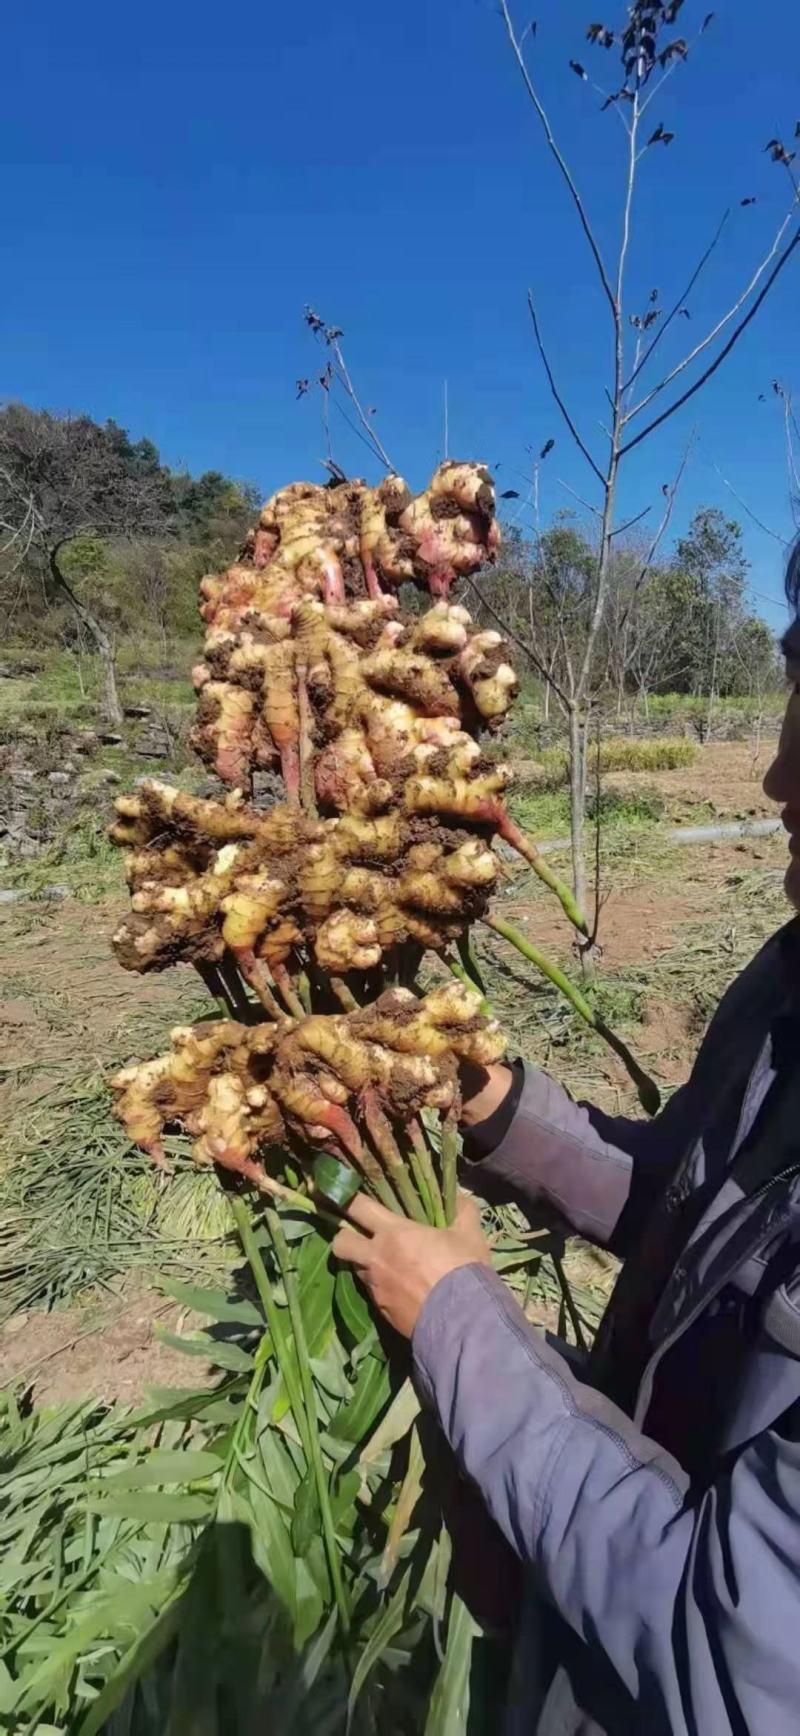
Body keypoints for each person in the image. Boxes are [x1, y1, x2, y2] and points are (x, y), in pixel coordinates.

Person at [333, 541, 800, 1735]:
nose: (773, 777)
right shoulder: (788, 983)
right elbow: (692, 1217)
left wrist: (462, 1327)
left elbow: (720, 1645)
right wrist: (503, 1113)